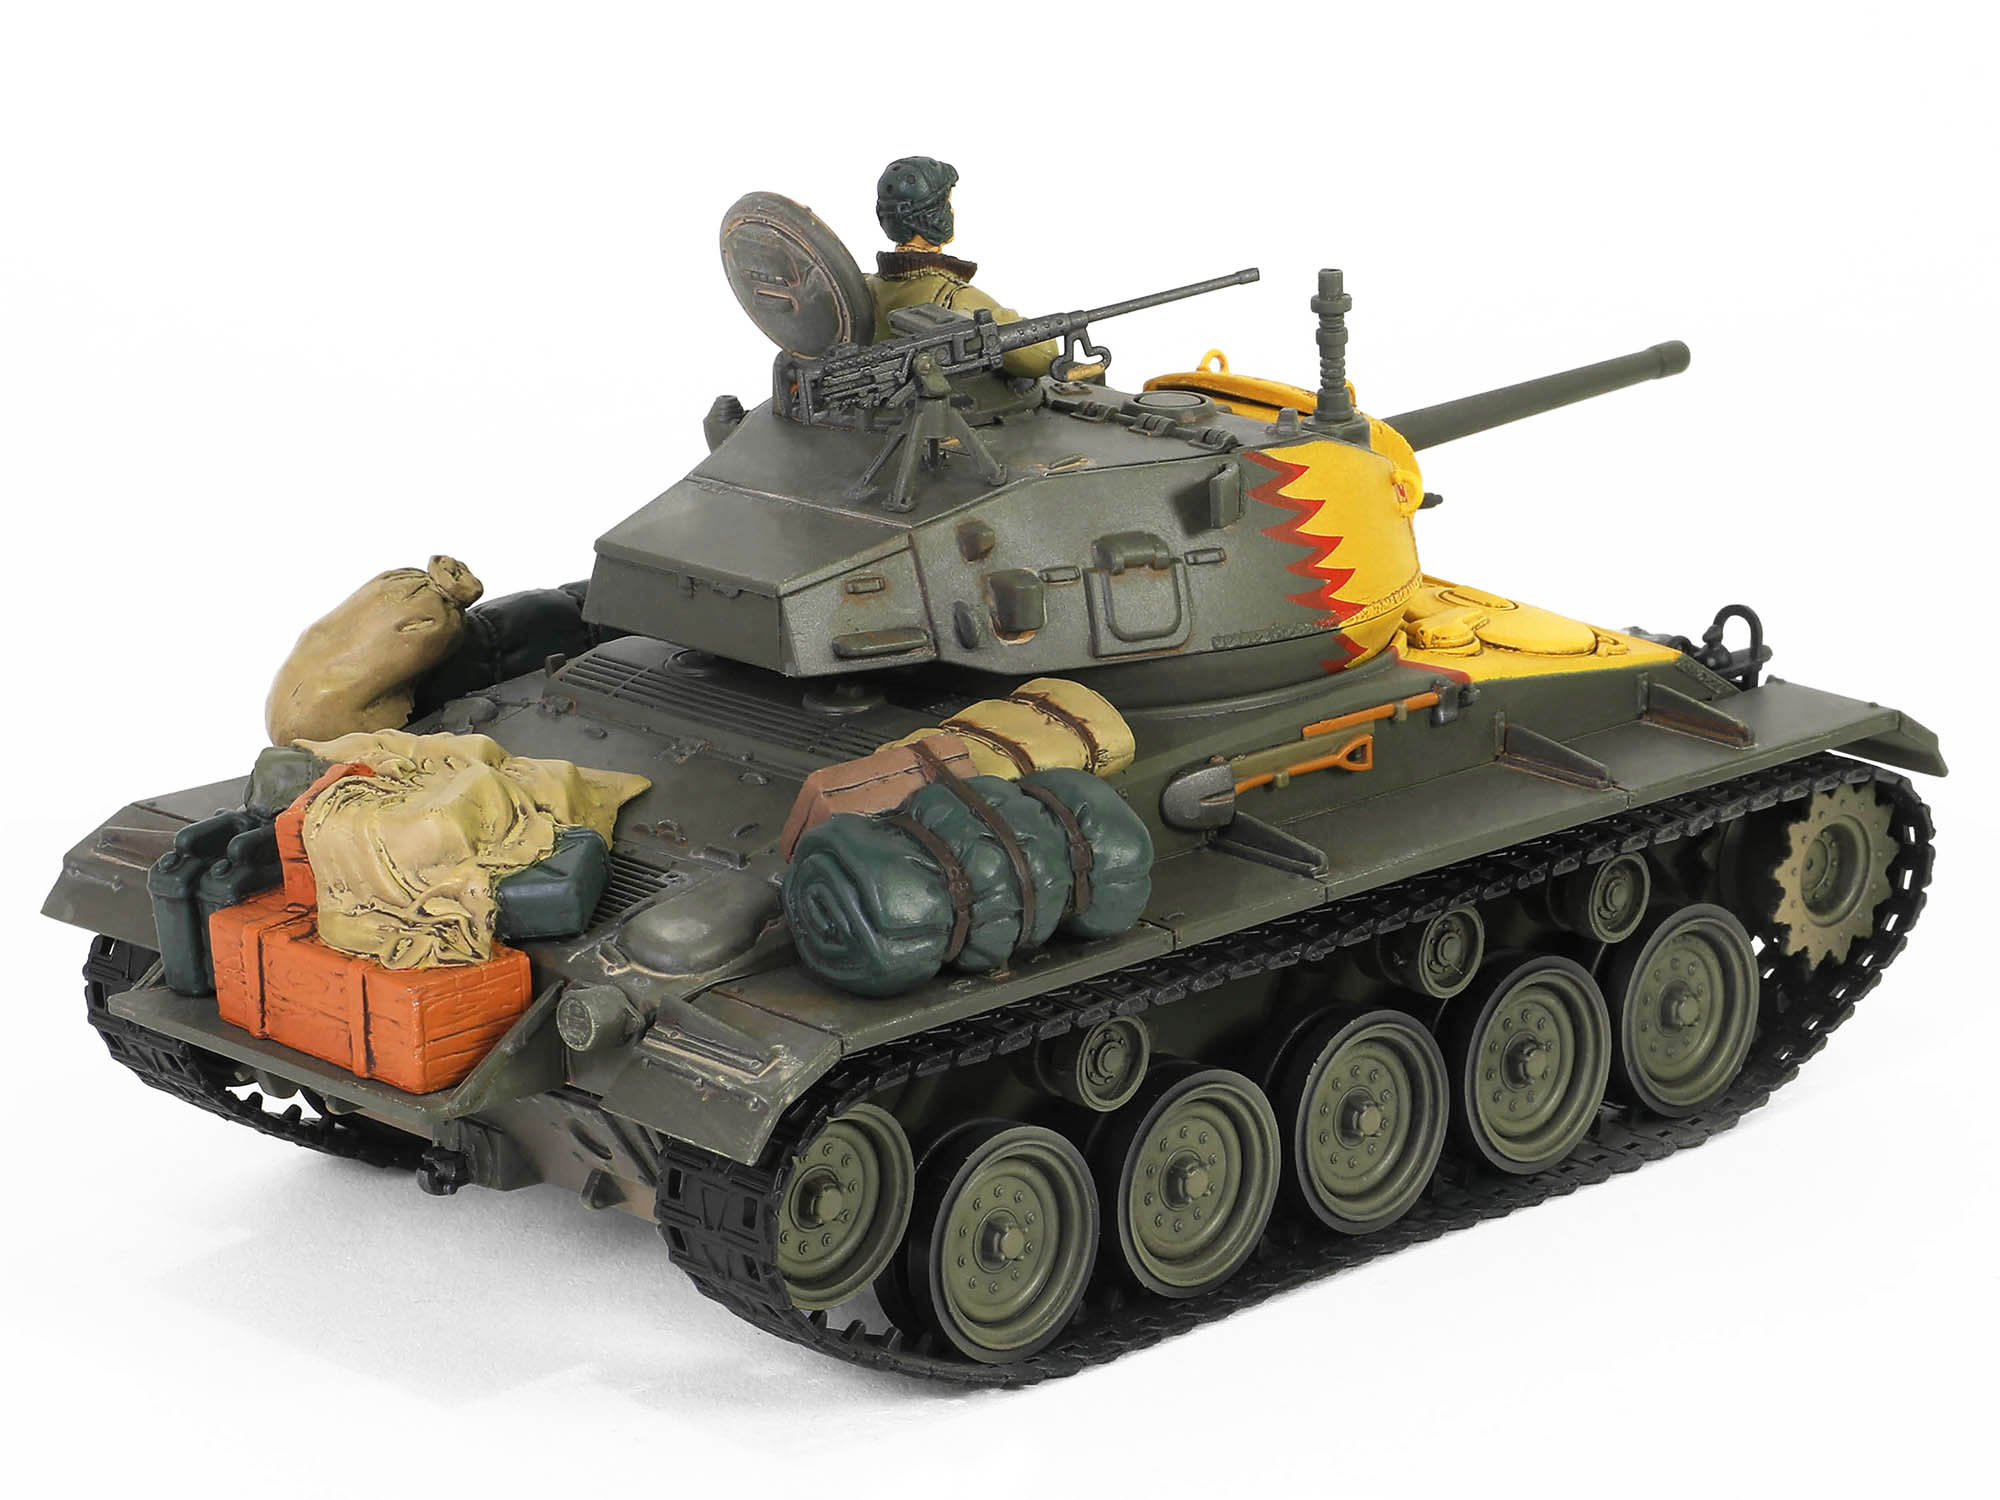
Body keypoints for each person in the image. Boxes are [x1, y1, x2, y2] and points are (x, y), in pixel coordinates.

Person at [867, 156, 1059, 378]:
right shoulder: (954, 299)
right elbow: (1043, 356)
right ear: (934, 217)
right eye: (947, 204)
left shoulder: (861, 288)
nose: (952, 212)